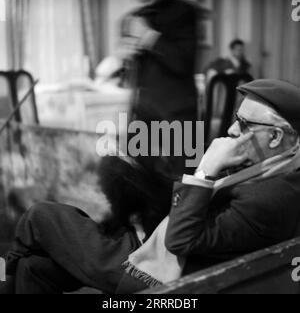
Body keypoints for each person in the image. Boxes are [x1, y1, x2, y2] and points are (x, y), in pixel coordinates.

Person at [120, 79, 300, 291]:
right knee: (120, 174)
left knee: (70, 227)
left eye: (244, 123)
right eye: (236, 118)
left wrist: (205, 171)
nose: (232, 129)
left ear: (275, 137)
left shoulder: (270, 197)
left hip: (174, 277)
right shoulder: (281, 170)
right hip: (177, 257)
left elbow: (179, 240)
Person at [0, 156, 174, 294]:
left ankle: (6, 276)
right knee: (32, 267)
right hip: (130, 249)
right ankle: (10, 272)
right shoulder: (148, 194)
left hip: (141, 261)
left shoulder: (181, 188)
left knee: (39, 214)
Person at [119, 0, 199, 176]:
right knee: (138, 179)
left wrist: (148, 36)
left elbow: (183, 63)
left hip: (178, 115)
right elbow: (128, 78)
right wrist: (125, 56)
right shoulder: (133, 18)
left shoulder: (184, 12)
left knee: (184, 183)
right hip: (142, 114)